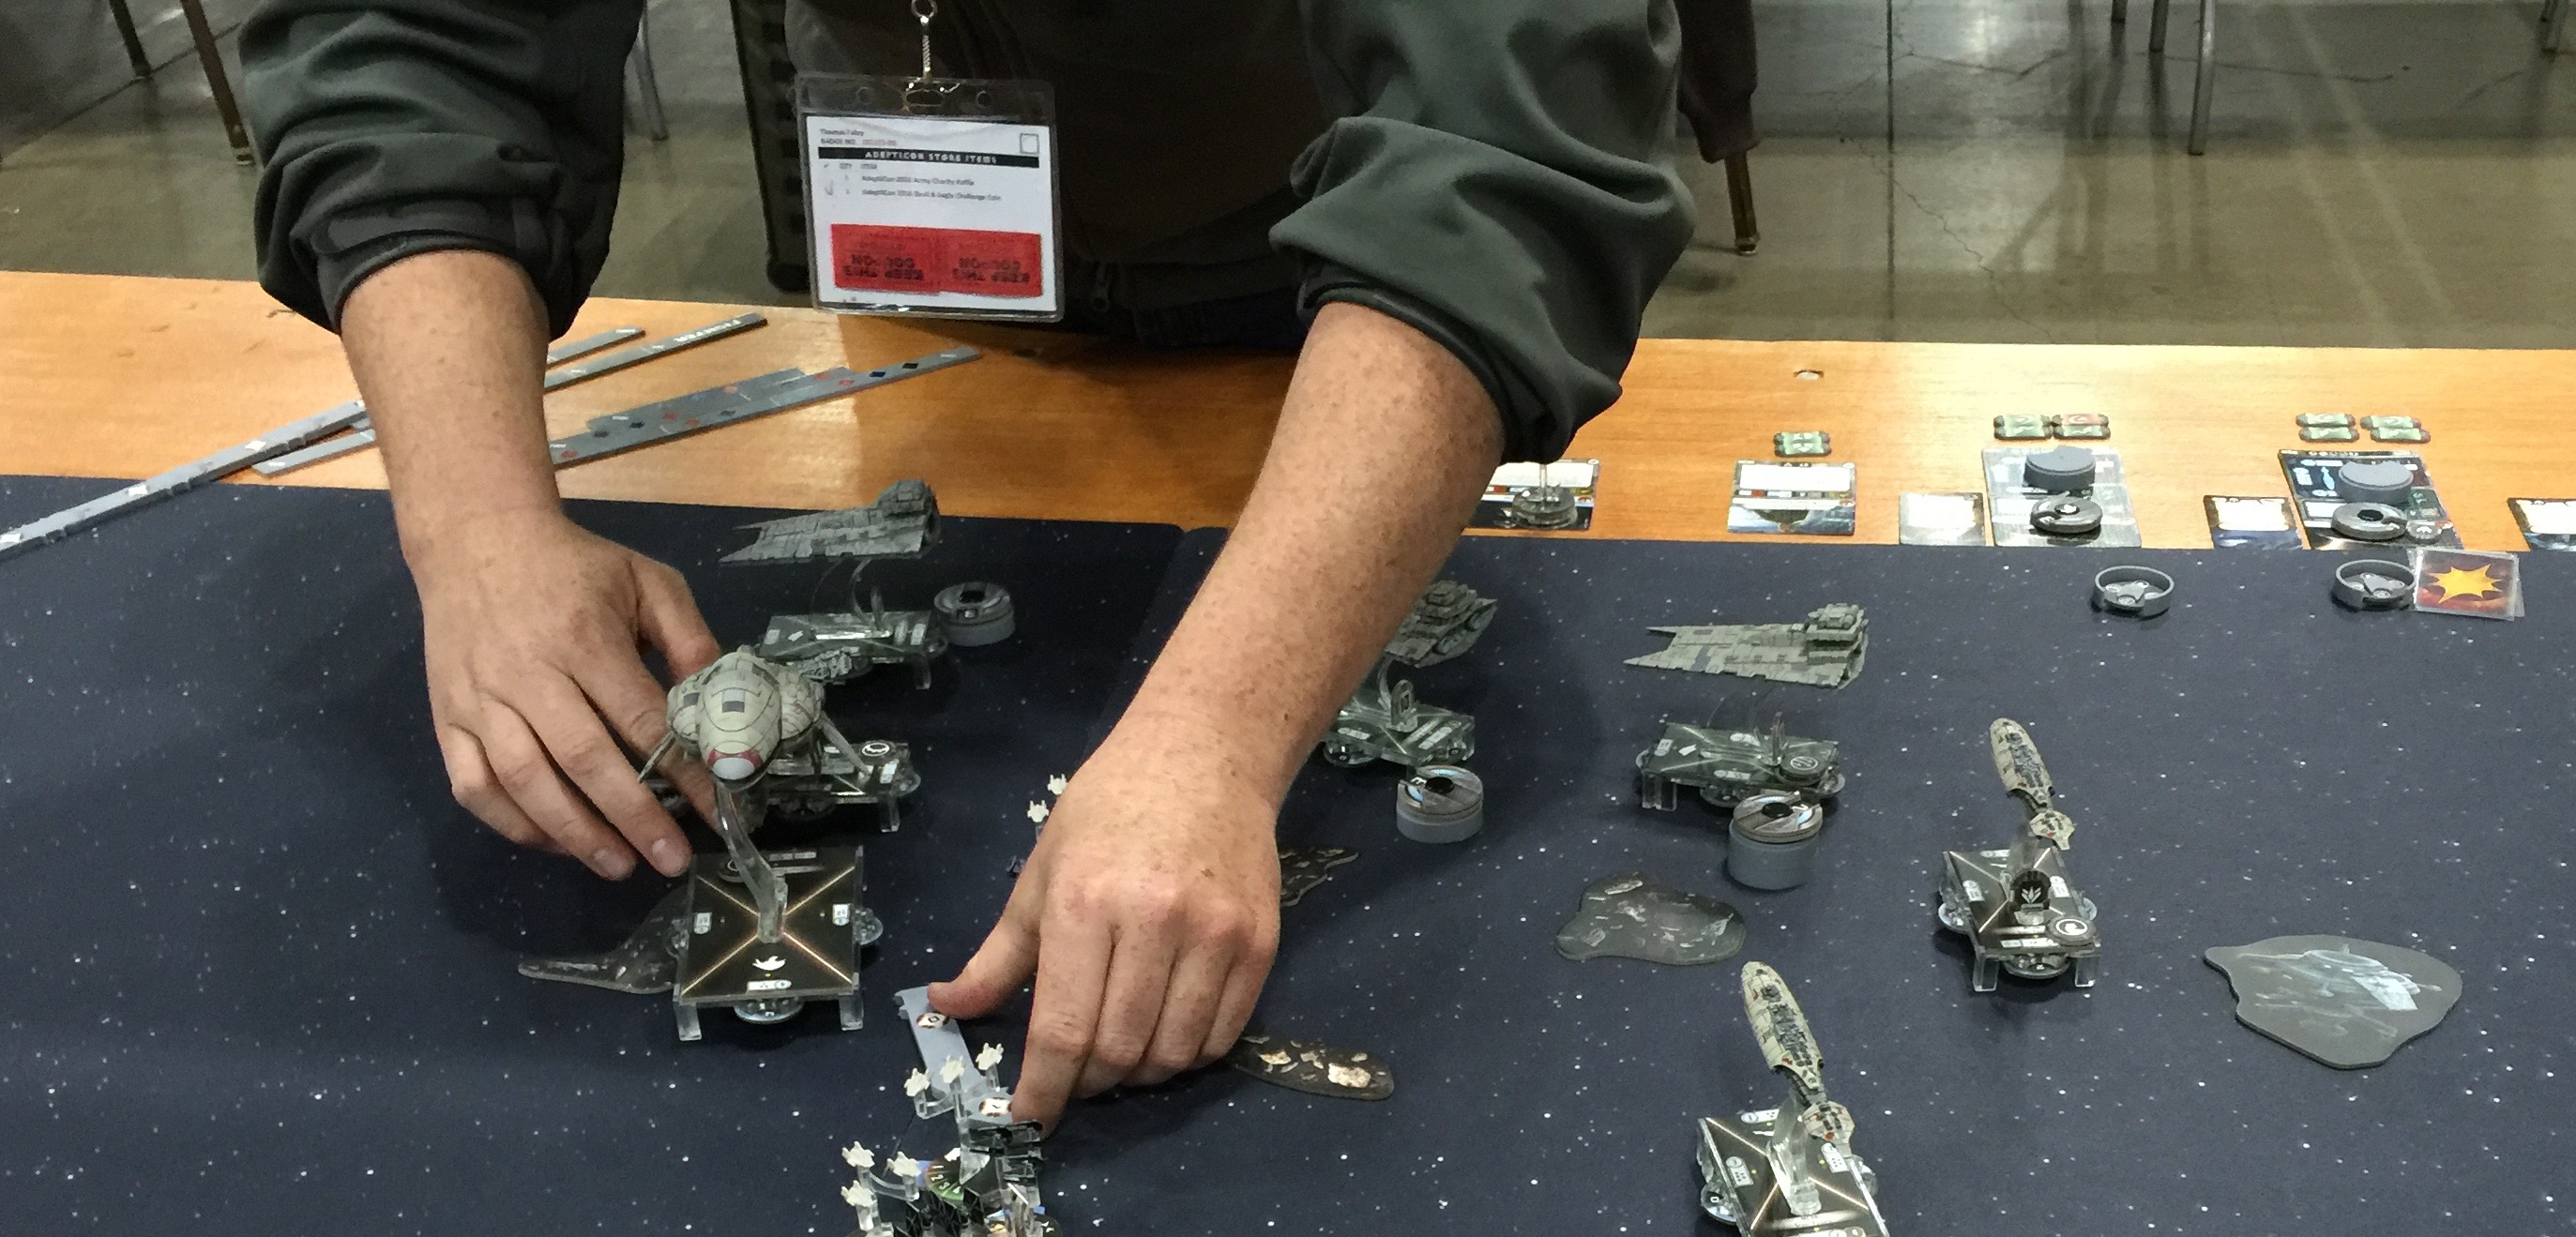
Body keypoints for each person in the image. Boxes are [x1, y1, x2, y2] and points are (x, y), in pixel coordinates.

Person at [241, 0, 1691, 1126]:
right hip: (930, 236)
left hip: (1333, 275)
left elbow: (1501, 145)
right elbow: (413, 39)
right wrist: (476, 530)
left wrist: (1215, 739)